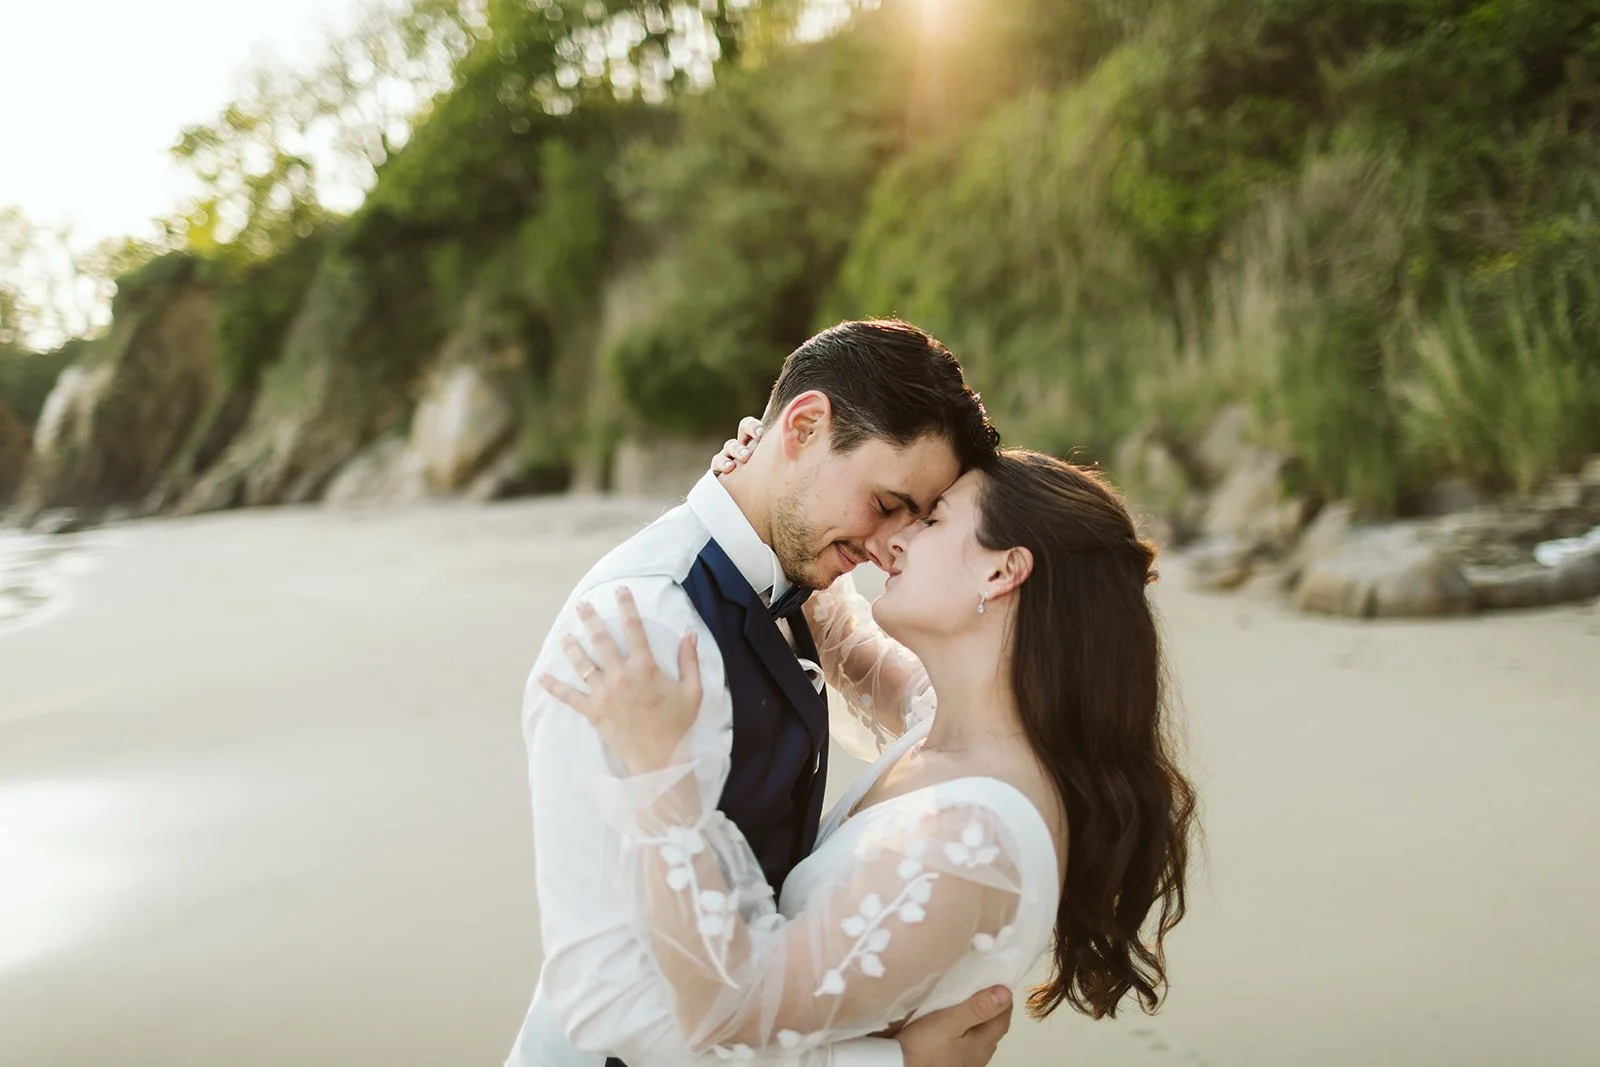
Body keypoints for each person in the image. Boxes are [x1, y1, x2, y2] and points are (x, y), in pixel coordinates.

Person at [540, 440, 1199, 1063]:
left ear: (1001, 571)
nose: (895, 540)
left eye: (932, 519)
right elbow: (848, 648)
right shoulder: (962, 725)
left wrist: (663, 779)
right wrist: (776, 488)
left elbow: (732, 1006)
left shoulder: (974, 838)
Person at [508, 320, 1016, 1067]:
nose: (888, 546)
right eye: (886, 502)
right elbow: (609, 995)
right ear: (803, 427)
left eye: (916, 519)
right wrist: (888, 1064)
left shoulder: (790, 575)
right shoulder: (644, 627)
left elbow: (896, 700)